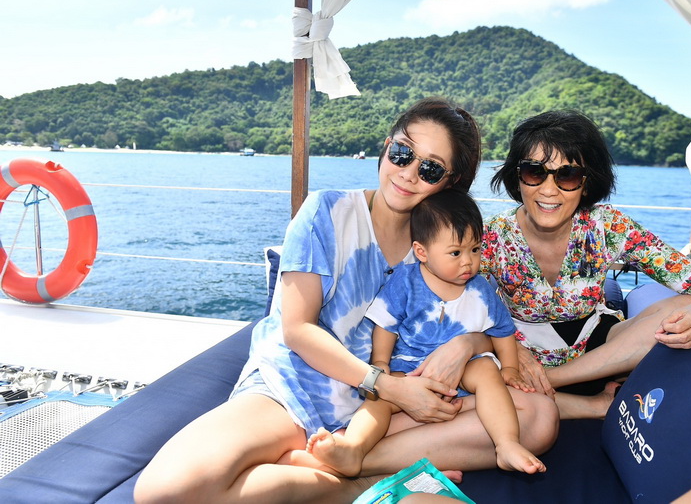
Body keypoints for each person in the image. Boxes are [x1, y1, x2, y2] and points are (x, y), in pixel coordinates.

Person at [134, 98, 559, 504]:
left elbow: (479, 323)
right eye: (402, 153)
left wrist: (466, 344)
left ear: (450, 183)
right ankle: (361, 484)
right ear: (386, 146)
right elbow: (297, 330)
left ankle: (351, 462)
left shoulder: (445, 249)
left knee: (539, 418)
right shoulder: (327, 212)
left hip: (384, 407)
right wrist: (388, 386)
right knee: (166, 491)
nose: (408, 173)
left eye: (430, 169)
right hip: (303, 384)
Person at [481, 110, 691, 419]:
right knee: (476, 372)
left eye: (567, 175)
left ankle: (552, 384)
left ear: (586, 184)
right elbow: (453, 305)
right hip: (519, 361)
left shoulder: (609, 227)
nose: (548, 189)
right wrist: (512, 351)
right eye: (535, 172)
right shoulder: (492, 236)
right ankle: (593, 405)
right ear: (517, 177)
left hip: (599, 355)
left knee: (684, 305)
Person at [298, 189, 549, 477]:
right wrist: (380, 362)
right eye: (455, 253)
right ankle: (353, 448)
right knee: (380, 399)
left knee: (487, 372)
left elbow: (502, 331)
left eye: (475, 249)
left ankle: (506, 443)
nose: (468, 261)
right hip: (410, 368)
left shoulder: (481, 290)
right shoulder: (406, 282)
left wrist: (510, 368)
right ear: (422, 252)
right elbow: (386, 325)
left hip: (464, 368)